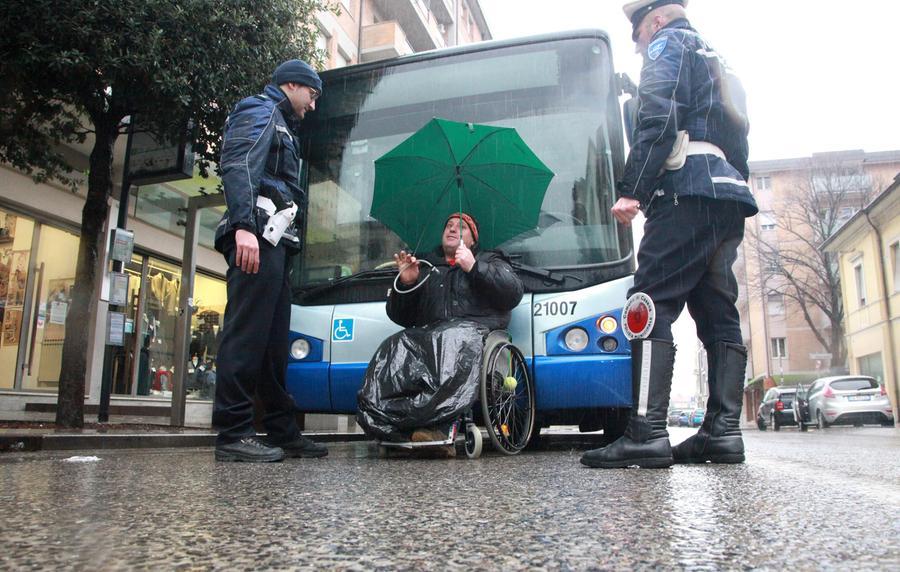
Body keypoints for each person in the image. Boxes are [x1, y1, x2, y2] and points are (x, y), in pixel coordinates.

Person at [581, 0, 758, 469]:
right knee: (717, 311)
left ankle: (644, 432)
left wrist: (631, 189)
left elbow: (657, 115)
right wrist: (726, 184)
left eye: (637, 36)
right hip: (725, 194)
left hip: (683, 192)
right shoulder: (717, 57)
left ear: (655, 20)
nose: (639, 47)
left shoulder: (668, 43)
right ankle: (722, 434)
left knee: (647, 303)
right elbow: (741, 137)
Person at [212, 59, 328, 462]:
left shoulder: (282, 124)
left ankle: (282, 430)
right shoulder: (259, 110)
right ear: (292, 85)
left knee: (273, 344)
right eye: (311, 95)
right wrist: (244, 226)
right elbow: (240, 162)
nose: (312, 106)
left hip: (272, 239)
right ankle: (232, 434)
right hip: (255, 237)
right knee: (246, 336)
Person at [356, 213, 524, 456]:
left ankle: (437, 427)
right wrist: (406, 285)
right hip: (433, 337)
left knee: (452, 339)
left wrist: (475, 267)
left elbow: (513, 293)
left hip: (473, 334)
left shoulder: (489, 259)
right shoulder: (426, 267)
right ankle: (390, 425)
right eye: (449, 225)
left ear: (473, 240)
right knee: (396, 344)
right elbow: (401, 317)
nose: (453, 229)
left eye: (462, 227)